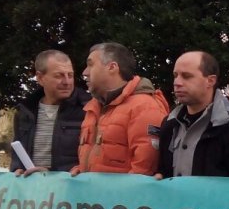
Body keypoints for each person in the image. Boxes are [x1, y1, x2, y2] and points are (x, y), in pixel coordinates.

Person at [72, 42, 169, 176]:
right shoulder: (93, 108)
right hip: (91, 190)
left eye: (90, 65)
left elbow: (143, 170)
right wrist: (80, 171)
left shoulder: (144, 106)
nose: (84, 72)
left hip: (122, 191)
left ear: (112, 67)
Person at [157, 52, 229, 179]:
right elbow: (163, 171)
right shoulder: (169, 124)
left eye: (186, 76)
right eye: (175, 76)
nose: (177, 82)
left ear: (210, 81)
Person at [11, 50, 91, 172]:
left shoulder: (88, 108)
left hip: (71, 182)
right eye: (59, 76)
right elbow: (17, 153)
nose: (67, 82)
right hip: (32, 182)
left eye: (70, 75)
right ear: (40, 78)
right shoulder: (25, 111)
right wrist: (17, 170)